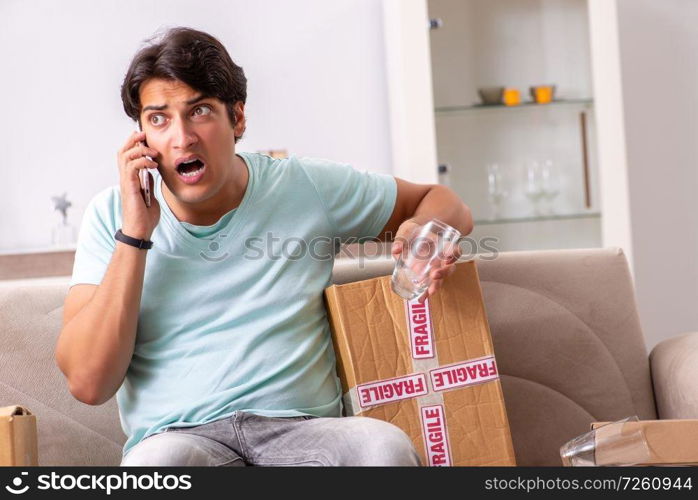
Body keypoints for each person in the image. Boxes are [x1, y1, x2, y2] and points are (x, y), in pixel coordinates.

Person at [55, 27, 473, 467]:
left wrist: (423, 232)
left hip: (303, 431)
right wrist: (135, 235)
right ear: (141, 138)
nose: (182, 138)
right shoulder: (110, 216)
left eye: (199, 111)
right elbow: (88, 383)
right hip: (179, 441)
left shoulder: (303, 186)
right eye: (158, 119)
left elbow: (446, 205)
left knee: (382, 447)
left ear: (237, 118)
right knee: (154, 468)